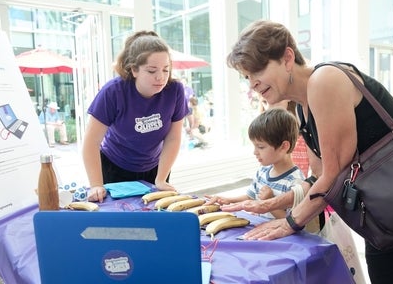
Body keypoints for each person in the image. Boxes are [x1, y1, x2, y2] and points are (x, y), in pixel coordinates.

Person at [224, 19, 393, 284]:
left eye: (257, 70)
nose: (252, 82)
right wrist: (269, 204)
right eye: (246, 76)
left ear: (287, 57)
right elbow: (318, 177)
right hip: (388, 209)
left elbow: (334, 176)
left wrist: (290, 222)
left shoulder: (325, 80)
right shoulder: (301, 108)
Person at [82, 30, 188, 203]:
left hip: (156, 166)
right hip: (115, 165)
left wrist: (161, 178)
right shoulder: (113, 92)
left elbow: (173, 138)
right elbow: (91, 142)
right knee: (122, 223)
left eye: (166, 70)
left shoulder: (175, 90)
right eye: (152, 71)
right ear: (134, 70)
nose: (160, 77)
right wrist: (96, 184)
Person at [206, 108, 305, 219]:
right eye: (254, 146)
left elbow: (294, 221)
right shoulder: (263, 171)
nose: (255, 152)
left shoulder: (296, 182)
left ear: (283, 146)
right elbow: (251, 197)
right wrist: (228, 200)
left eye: (261, 147)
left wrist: (268, 201)